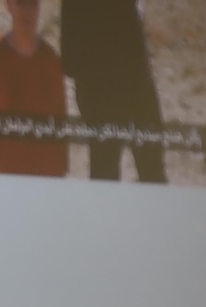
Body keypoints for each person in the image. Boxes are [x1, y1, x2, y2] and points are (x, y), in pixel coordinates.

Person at [60, 0, 168, 183]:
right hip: (125, 90)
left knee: (110, 173)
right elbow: (70, 61)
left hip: (107, 92)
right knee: (147, 172)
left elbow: (69, 62)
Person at [0, 0, 68, 177]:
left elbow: (60, 118)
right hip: (10, 171)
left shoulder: (50, 59)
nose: (26, 11)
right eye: (21, 3)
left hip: (48, 172)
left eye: (32, 4)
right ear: (9, 5)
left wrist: (62, 168)